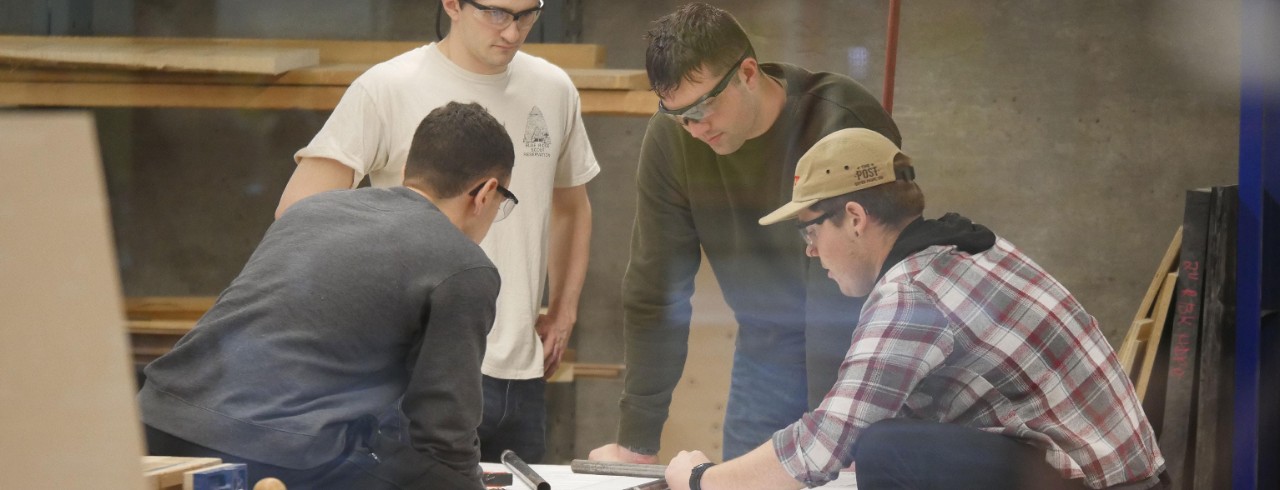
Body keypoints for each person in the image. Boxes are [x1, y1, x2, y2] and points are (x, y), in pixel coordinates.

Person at [662, 128, 1169, 490]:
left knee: (887, 451)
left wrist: (702, 480)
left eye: (811, 230)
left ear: (855, 217)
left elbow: (826, 443)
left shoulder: (912, 293)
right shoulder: (969, 250)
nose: (810, 251)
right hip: (1121, 477)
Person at [277, 0, 598, 463]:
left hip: (518, 374)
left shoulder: (554, 89)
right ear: (452, 4)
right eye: (497, 13)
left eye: (528, 14)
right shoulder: (387, 88)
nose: (512, 31)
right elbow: (299, 214)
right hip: (415, 373)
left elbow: (571, 205)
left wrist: (564, 310)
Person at [139, 102, 517, 490]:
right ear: (486, 193)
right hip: (271, 451)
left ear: (407, 171)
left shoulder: (310, 211)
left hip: (155, 421)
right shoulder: (464, 266)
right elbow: (443, 432)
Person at [589, 3, 901, 463]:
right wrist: (637, 441)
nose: (695, 129)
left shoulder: (840, 122)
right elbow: (656, 288)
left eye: (704, 107)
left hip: (857, 345)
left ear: (748, 73)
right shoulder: (673, 140)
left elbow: (849, 294)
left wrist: (829, 442)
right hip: (766, 352)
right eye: (677, 114)